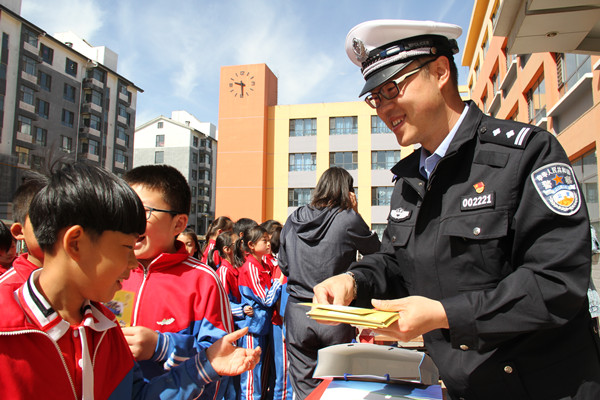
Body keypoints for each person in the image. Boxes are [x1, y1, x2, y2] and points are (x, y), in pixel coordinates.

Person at [313, 19, 600, 399]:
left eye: (392, 89)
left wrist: (445, 315)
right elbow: (396, 262)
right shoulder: (409, 180)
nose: (383, 108)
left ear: (440, 71)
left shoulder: (526, 154)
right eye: (375, 97)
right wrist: (354, 280)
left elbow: (556, 281)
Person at [0, 162, 261, 399]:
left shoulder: (104, 329)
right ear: (75, 243)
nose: (132, 264)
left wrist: (203, 365)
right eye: (126, 247)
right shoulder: (10, 332)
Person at [119, 164, 234, 399]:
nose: (130, 221)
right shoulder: (108, 271)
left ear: (179, 224)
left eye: (143, 211)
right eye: (123, 209)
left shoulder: (203, 280)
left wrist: (162, 346)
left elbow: (221, 356)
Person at [278, 166, 380, 398]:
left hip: (297, 312)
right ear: (347, 191)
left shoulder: (293, 219)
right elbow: (377, 253)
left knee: (304, 387)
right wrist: (355, 212)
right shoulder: (347, 219)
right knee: (338, 386)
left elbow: (284, 266)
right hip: (334, 311)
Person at [236, 225, 284, 400]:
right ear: (251, 244)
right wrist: (279, 282)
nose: (268, 243)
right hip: (252, 328)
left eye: (268, 239)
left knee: (260, 372)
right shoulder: (251, 268)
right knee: (251, 376)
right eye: (264, 240)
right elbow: (267, 299)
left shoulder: (263, 264)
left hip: (261, 326)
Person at [0, 171, 48, 288]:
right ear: (19, 231)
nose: (56, 229)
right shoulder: (7, 290)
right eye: (44, 220)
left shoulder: (82, 288)